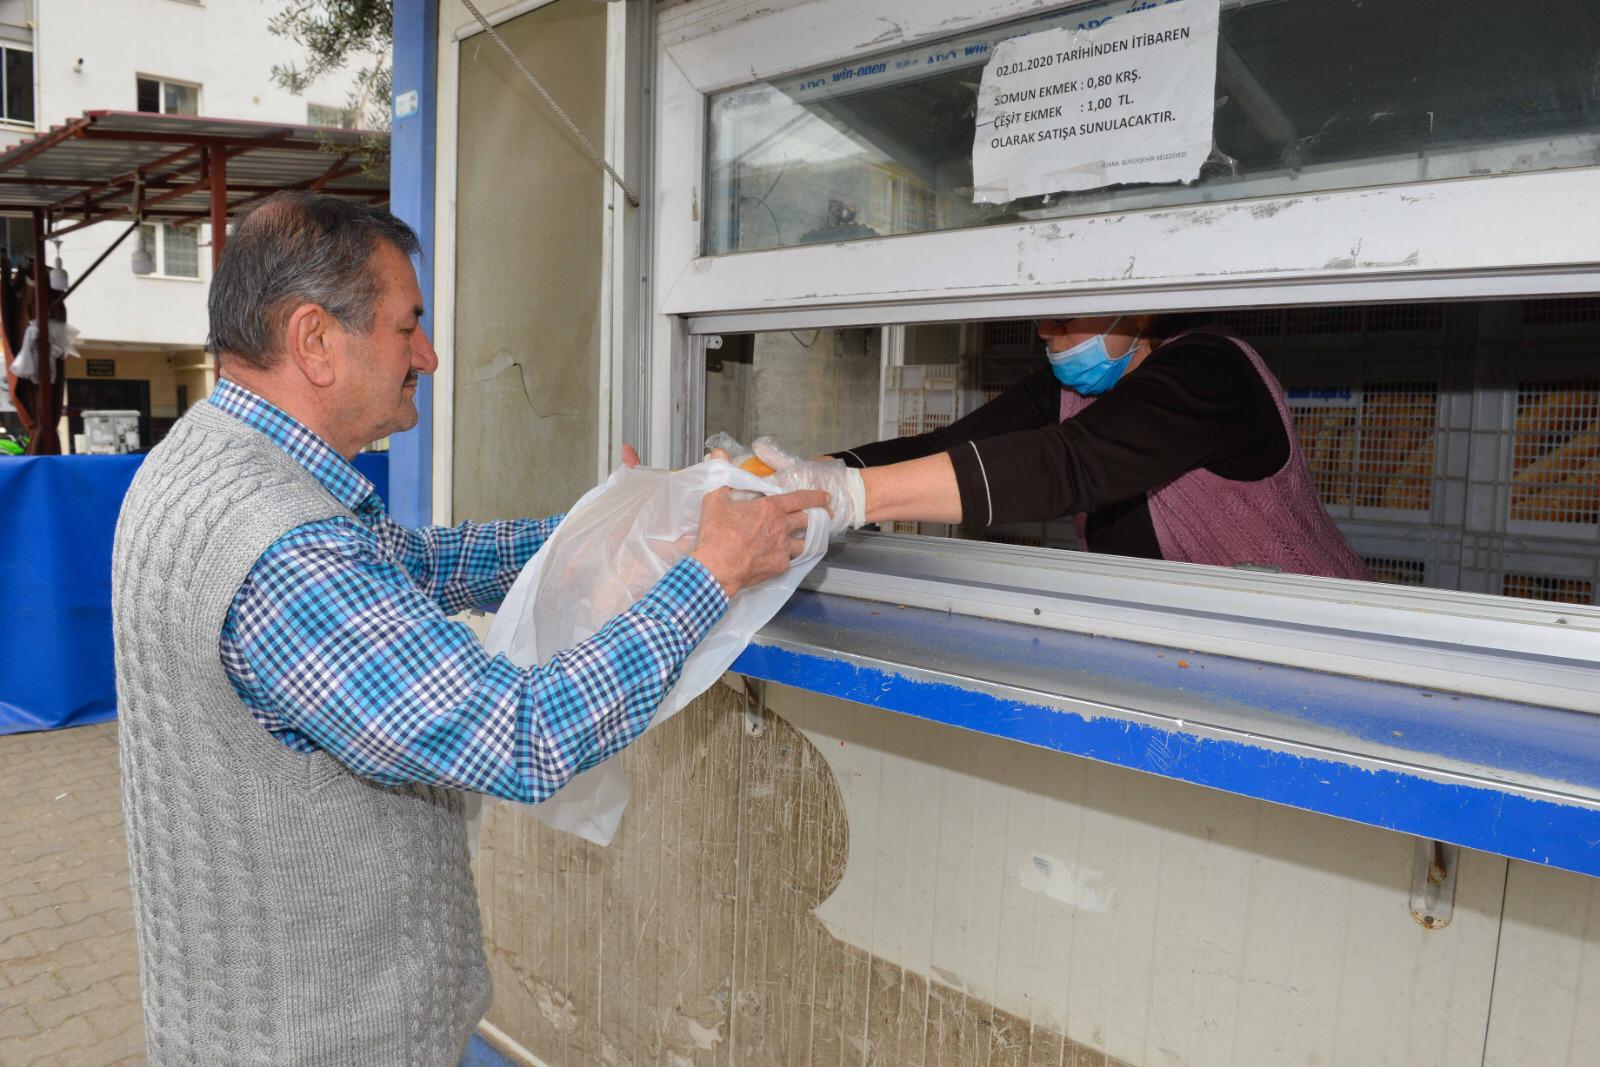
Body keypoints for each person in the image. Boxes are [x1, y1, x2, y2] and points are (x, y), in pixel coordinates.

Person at [111, 192, 826, 1066]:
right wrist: (711, 573)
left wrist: (616, 527)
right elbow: (521, 734)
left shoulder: (205, 466)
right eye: (406, 325)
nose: (429, 355)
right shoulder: (286, 551)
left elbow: (417, 564)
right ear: (315, 340)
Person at [753, 313, 1370, 580]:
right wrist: (819, 472)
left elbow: (1071, 463)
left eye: (1068, 314)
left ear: (1139, 307)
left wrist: (854, 497)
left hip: (1319, 644)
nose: (1046, 331)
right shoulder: (1071, 389)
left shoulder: (1211, 372)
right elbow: (949, 444)